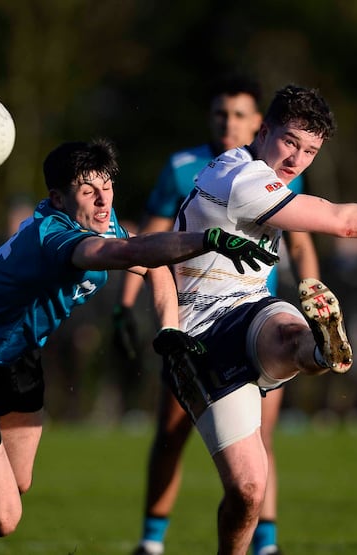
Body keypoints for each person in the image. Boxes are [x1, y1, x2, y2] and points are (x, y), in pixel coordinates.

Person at [0, 139, 277, 555]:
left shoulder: (98, 223)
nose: (103, 199)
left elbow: (153, 267)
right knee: (3, 516)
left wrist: (168, 329)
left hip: (19, 362)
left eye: (107, 186)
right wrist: (207, 239)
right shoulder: (51, 237)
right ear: (58, 197)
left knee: (16, 484)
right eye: (88, 190)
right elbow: (126, 251)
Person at [154, 84, 357, 555]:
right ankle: (316, 349)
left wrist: (310, 282)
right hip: (201, 334)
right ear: (265, 128)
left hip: (249, 305)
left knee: (289, 329)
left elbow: (310, 233)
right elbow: (344, 221)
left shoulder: (251, 168)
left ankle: (319, 346)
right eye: (291, 142)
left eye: (311, 150)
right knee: (249, 490)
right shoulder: (243, 179)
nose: (297, 159)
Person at [122, 75, 320, 555]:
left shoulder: (283, 167)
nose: (228, 122)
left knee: (259, 438)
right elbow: (150, 238)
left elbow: (301, 240)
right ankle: (152, 541)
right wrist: (128, 303)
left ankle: (264, 542)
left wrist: (313, 287)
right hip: (197, 320)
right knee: (172, 430)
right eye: (220, 113)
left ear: (258, 122)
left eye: (238, 114)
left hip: (259, 317)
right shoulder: (185, 167)